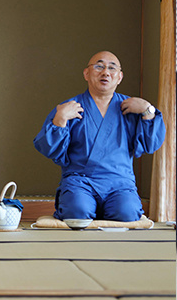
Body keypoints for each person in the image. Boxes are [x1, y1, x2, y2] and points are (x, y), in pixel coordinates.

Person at [34, 51, 165, 222]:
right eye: (99, 66)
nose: (105, 72)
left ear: (119, 77)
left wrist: (148, 111)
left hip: (119, 183)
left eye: (112, 68)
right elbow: (49, 149)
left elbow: (151, 145)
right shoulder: (71, 108)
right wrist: (60, 119)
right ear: (86, 74)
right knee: (76, 211)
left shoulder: (132, 107)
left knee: (127, 213)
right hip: (80, 181)